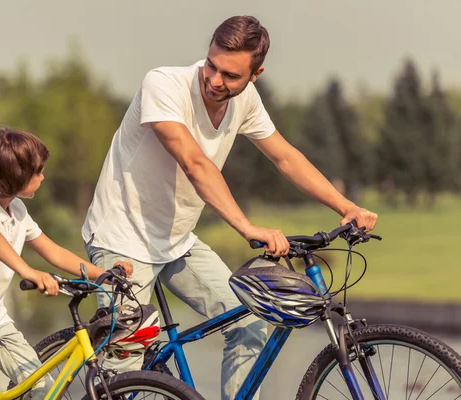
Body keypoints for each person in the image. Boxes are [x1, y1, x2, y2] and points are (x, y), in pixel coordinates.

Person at [82, 15, 378, 400]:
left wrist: (346, 205)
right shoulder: (164, 84)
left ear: (256, 74)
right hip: (121, 241)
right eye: (212, 66)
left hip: (175, 242)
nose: (215, 80)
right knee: (124, 368)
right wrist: (246, 227)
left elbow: (285, 157)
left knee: (251, 320)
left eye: (231, 76)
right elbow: (195, 163)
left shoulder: (246, 102)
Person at [0, 128, 132, 400]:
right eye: (37, 172)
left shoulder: (18, 211)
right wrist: (28, 271)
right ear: (15, 177)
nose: (43, 176)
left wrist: (104, 274)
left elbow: (53, 251)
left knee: (43, 390)